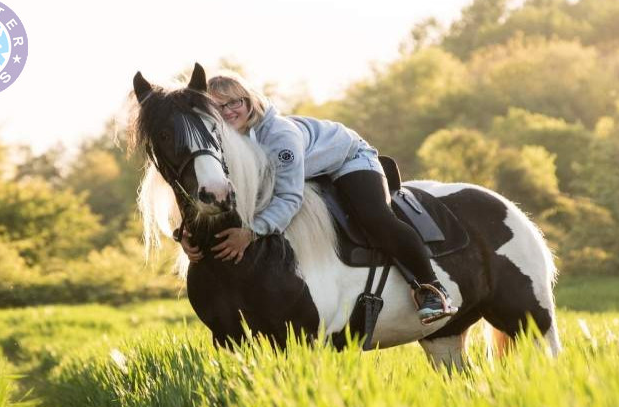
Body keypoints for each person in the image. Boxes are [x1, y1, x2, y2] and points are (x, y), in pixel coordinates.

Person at [182, 71, 453, 323]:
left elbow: (289, 197)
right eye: (218, 107)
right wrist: (185, 233)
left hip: (347, 158)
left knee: (375, 218)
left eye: (234, 103)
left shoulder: (279, 137)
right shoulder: (221, 139)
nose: (228, 112)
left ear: (249, 101)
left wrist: (252, 232)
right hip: (304, 166)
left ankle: (431, 289)